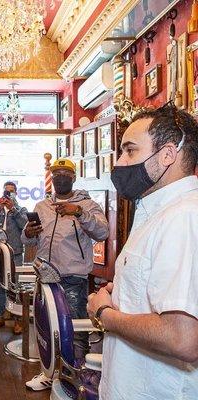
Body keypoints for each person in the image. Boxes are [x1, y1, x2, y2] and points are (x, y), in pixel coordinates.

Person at [87, 104, 198, 399]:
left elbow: (182, 338)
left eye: (130, 150)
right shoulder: (159, 212)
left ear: (167, 155)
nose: (121, 162)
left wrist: (104, 312)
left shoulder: (183, 216)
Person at [21, 158, 109, 391]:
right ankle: (49, 374)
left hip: (72, 277)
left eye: (64, 173)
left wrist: (78, 212)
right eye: (55, 173)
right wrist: (28, 232)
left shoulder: (87, 205)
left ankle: (77, 379)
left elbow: (102, 232)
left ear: (73, 177)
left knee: (73, 330)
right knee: (46, 328)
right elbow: (27, 239)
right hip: (44, 276)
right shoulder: (42, 205)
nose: (60, 177)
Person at [0, 181, 28, 331]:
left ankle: (18, 320)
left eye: (11, 191)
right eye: (6, 191)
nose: (8, 194)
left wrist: (13, 210)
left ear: (16, 193)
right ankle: (0, 317)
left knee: (16, 286)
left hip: (15, 253)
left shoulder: (21, 209)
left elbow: (25, 225)